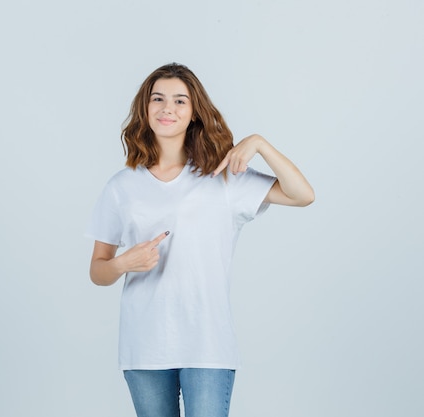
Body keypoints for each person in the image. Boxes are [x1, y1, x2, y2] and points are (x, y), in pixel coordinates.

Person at [85, 63, 314, 417]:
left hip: (208, 344)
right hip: (144, 345)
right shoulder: (122, 186)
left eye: (180, 101)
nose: (167, 109)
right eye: (158, 99)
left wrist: (258, 144)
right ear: (145, 109)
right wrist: (122, 263)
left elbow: (302, 195)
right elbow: (98, 271)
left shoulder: (222, 178)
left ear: (194, 113)